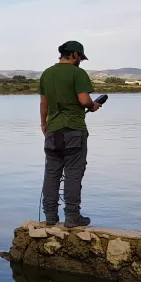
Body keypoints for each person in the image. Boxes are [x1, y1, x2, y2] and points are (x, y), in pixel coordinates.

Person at [39, 40, 100, 228]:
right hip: (74, 130)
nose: (81, 60)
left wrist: (43, 124)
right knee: (73, 173)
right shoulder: (78, 73)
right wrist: (93, 105)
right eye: (80, 57)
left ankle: (50, 216)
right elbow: (84, 100)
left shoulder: (47, 74)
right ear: (74, 55)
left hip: (53, 130)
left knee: (52, 173)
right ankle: (72, 217)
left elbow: (44, 103)